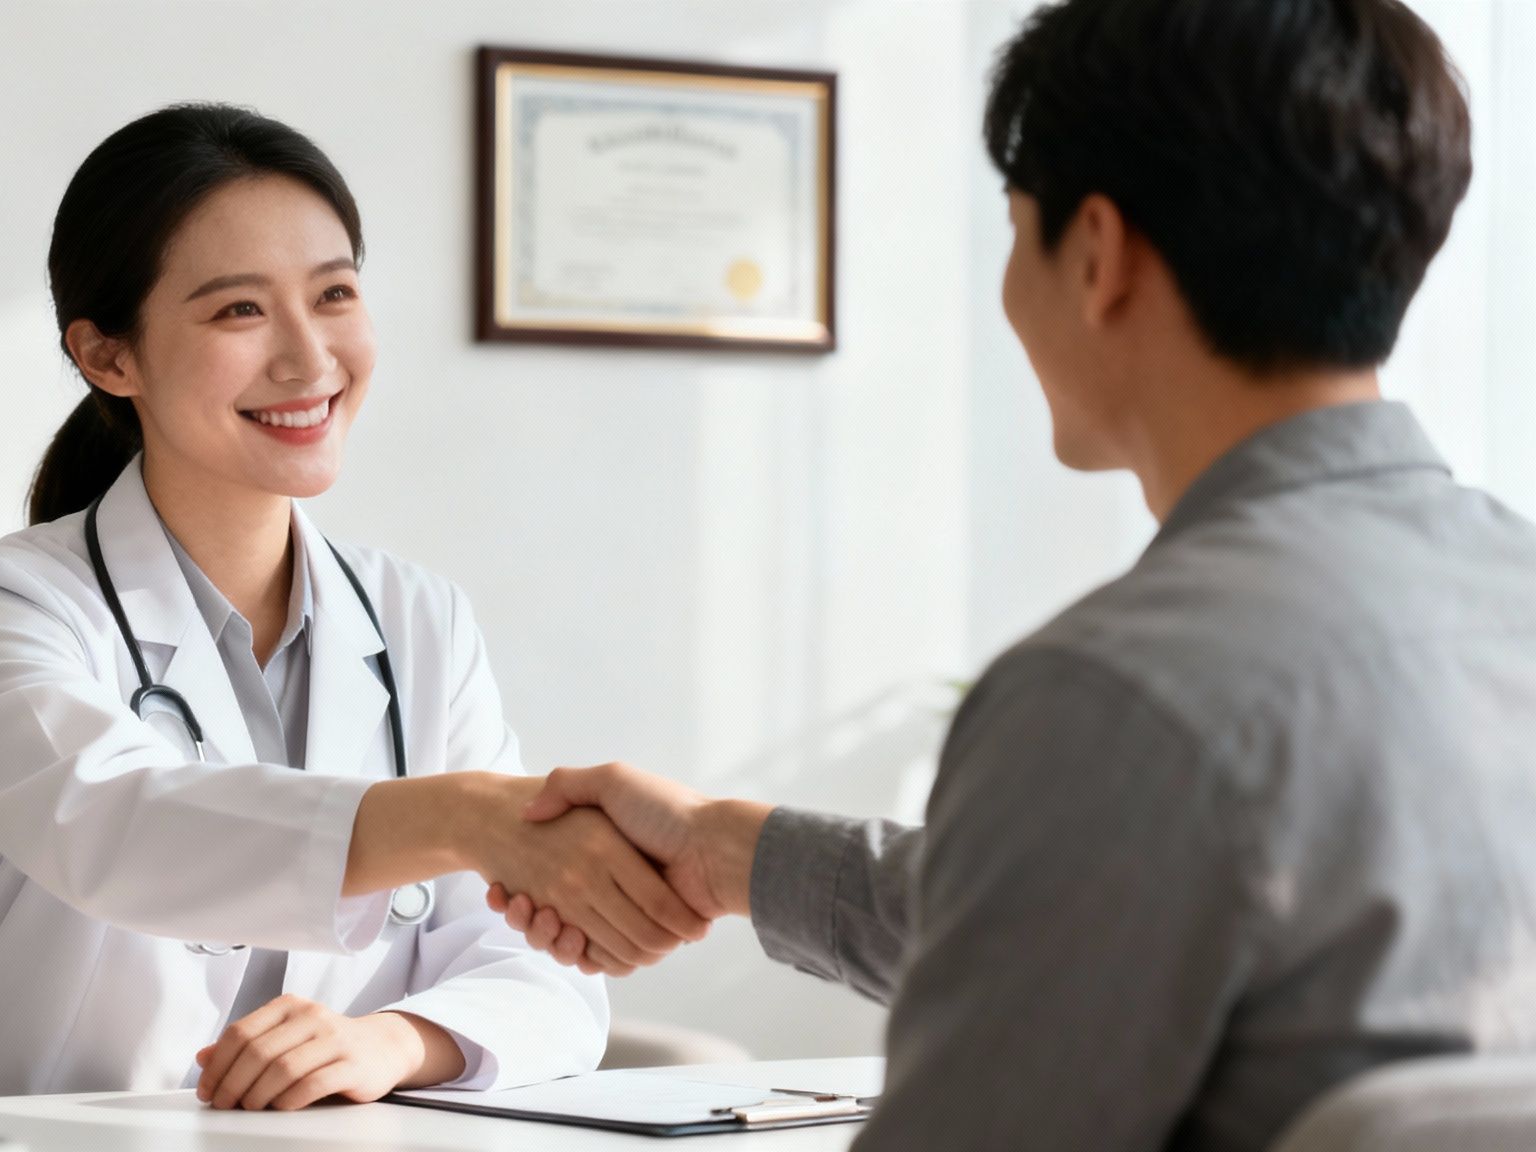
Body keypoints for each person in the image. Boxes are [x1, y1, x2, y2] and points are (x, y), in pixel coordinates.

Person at [489, 1, 1536, 1148]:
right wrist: (730, 849)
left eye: (1012, 227)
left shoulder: (1116, 696)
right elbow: (1104, 909)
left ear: (1095, 254)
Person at [0, 104, 706, 1109]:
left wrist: (395, 1041)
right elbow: (120, 828)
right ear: (108, 357)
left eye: (334, 294)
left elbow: (539, 970)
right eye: (238, 311)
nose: (308, 358)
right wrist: (463, 816)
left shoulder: (418, 618)